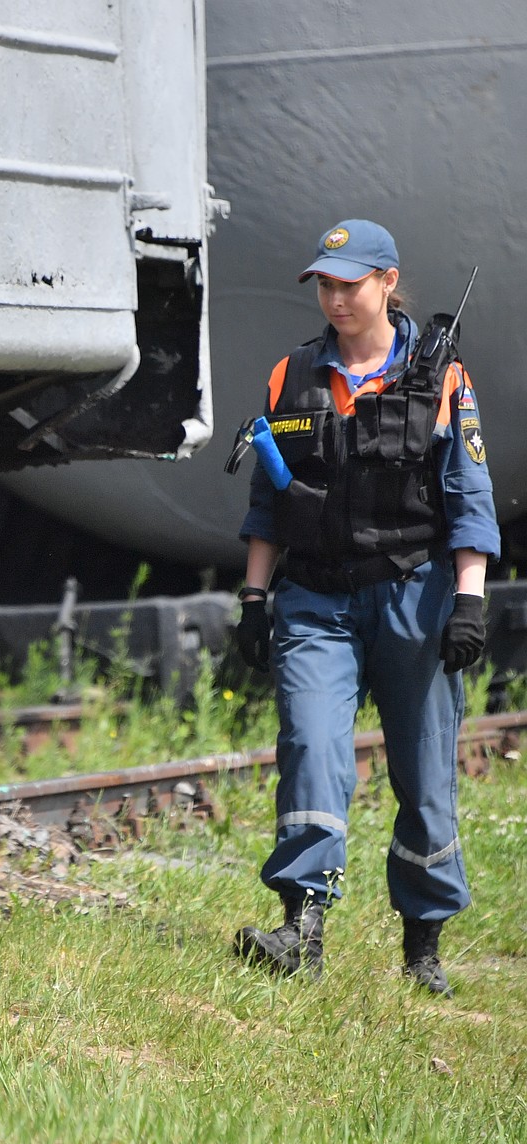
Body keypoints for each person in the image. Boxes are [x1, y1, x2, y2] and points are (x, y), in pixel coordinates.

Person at [228, 219, 499, 995]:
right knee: (311, 746)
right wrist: (254, 598)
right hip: (316, 596)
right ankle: (301, 930)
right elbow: (266, 505)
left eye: (351, 284)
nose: (336, 298)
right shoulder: (292, 376)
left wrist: (469, 603)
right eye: (325, 284)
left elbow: (469, 498)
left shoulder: (442, 377)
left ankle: (423, 946)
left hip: (414, 592)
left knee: (423, 773)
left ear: (388, 282)